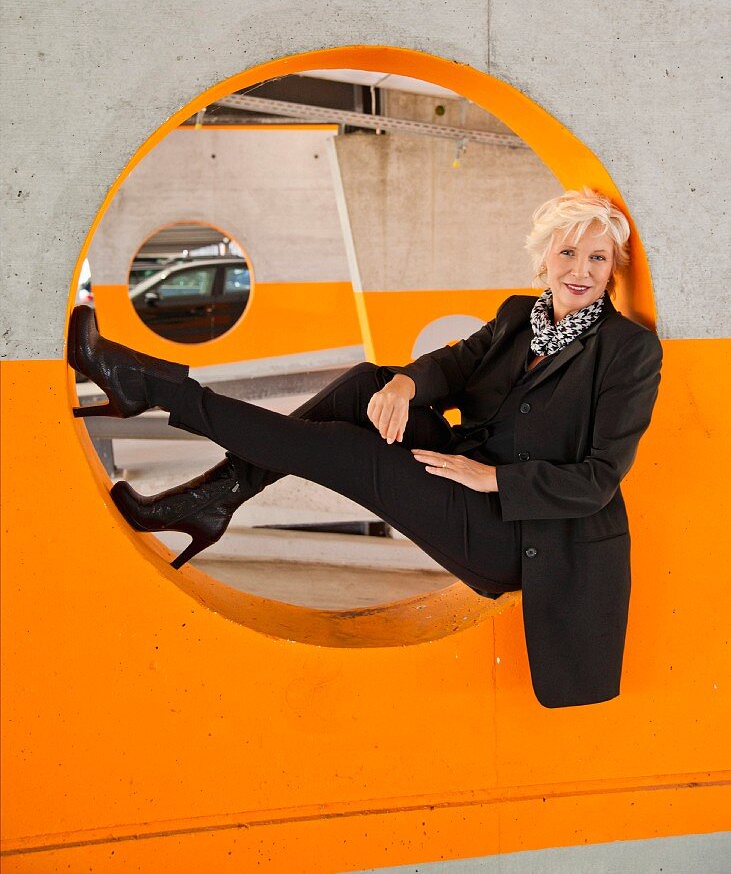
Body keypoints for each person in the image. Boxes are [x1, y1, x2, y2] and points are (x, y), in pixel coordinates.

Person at [68, 187, 663, 708]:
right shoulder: (518, 317)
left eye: (597, 257)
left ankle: (156, 396)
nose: (579, 269)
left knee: (348, 453)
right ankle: (211, 497)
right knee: (367, 385)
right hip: (468, 463)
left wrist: (492, 481)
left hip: (519, 531)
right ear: (544, 258)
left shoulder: (628, 350)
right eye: (567, 252)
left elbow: (600, 478)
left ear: (613, 269)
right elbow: (456, 363)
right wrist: (405, 384)